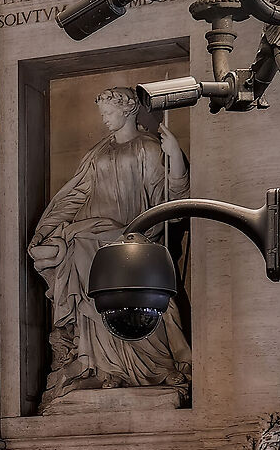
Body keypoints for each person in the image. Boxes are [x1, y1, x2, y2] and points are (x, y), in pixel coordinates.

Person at [28, 86, 191, 403]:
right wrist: (45, 229)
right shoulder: (97, 153)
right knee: (96, 297)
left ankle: (157, 365)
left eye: (108, 112)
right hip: (90, 236)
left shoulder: (148, 147)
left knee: (138, 297)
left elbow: (171, 201)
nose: (103, 119)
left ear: (127, 110)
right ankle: (106, 368)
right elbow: (75, 195)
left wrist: (175, 159)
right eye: (102, 113)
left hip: (133, 237)